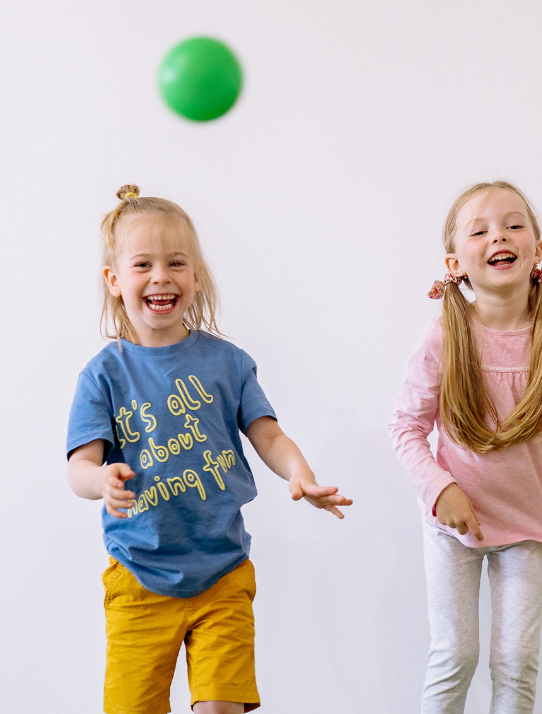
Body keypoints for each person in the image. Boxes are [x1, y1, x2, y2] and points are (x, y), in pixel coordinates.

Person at [66, 185, 351, 714]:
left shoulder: (228, 363)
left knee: (222, 707)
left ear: (195, 277)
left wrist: (299, 472)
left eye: (176, 263)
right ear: (114, 281)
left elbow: (267, 433)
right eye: (143, 265)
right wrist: (99, 482)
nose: (160, 277)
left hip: (221, 574)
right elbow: (79, 466)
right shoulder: (103, 375)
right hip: (138, 576)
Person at [389, 181, 542, 714]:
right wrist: (442, 490)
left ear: (537, 248)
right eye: (480, 230)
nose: (499, 237)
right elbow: (405, 426)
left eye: (514, 225)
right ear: (454, 262)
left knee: (516, 663)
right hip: (453, 524)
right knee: (455, 657)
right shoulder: (443, 334)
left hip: (530, 522)